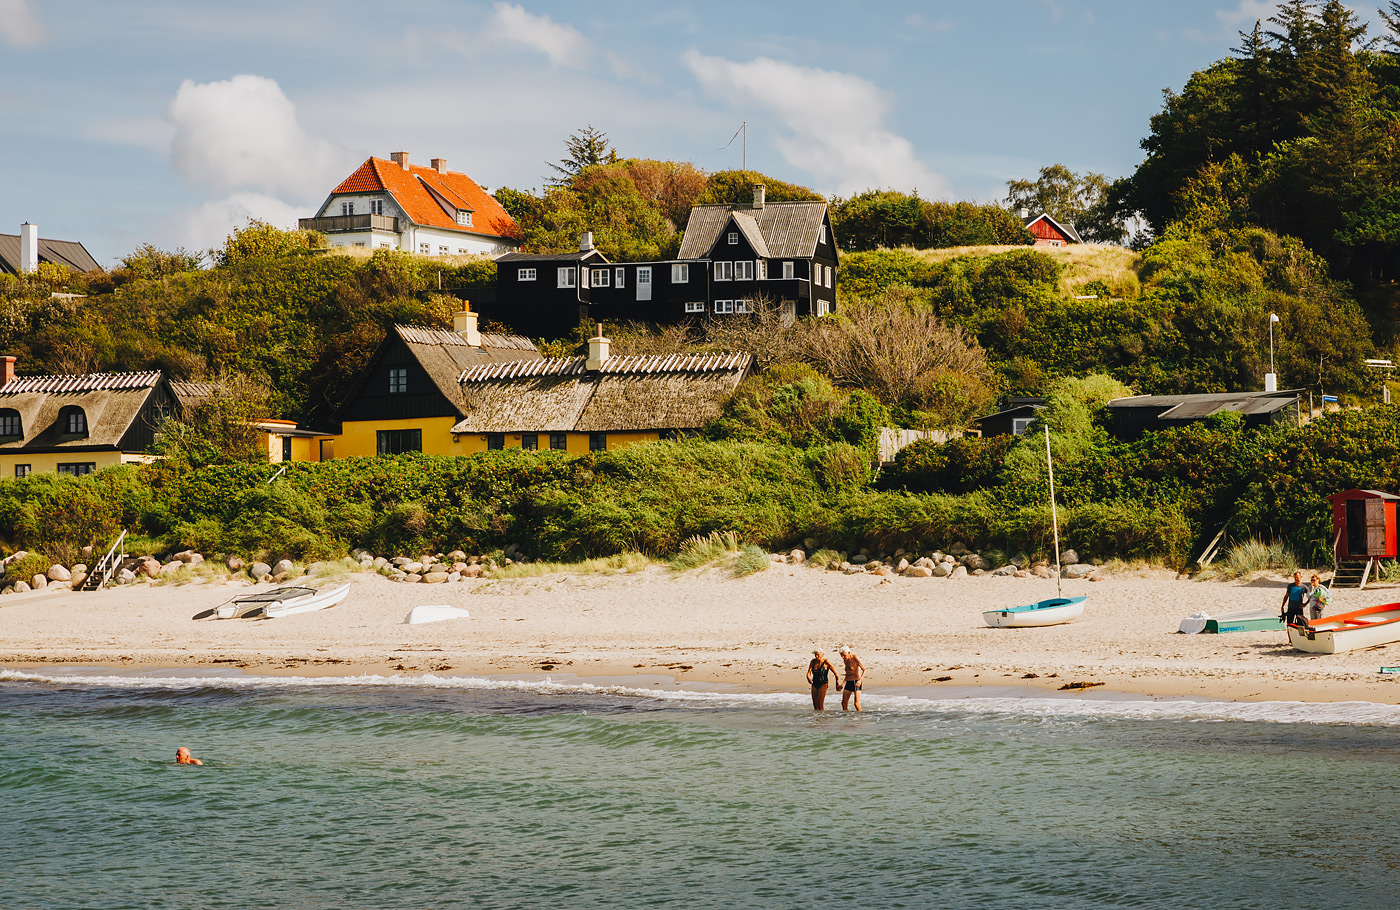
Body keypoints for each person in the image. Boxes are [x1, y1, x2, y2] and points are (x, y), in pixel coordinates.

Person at [838, 646, 865, 712]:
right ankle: (847, 718)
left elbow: (864, 669)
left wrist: (860, 681)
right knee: (844, 703)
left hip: (856, 682)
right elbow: (848, 674)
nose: (843, 657)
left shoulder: (855, 658)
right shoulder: (845, 660)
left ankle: (860, 717)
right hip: (848, 682)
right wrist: (842, 684)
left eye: (844, 655)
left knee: (856, 703)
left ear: (849, 652)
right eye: (841, 655)